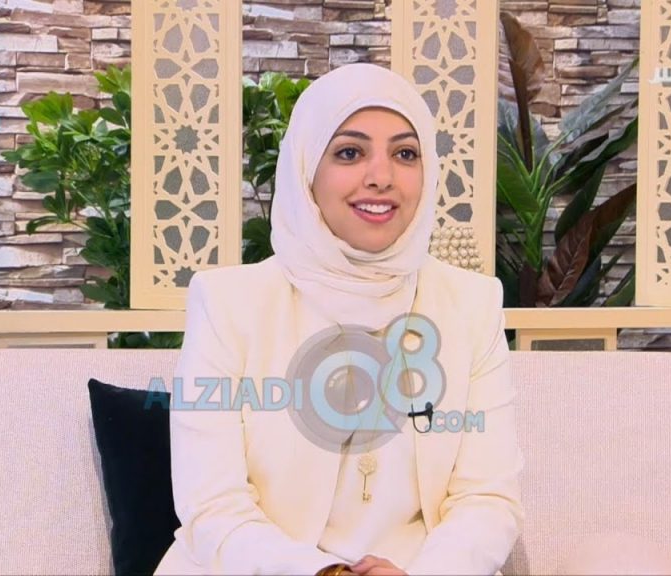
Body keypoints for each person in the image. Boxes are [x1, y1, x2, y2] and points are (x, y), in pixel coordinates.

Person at [153, 63, 524, 576]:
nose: (381, 177)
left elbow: (487, 498)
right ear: (307, 169)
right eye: (350, 153)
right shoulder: (229, 303)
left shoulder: (470, 304)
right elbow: (212, 506)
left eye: (405, 154)